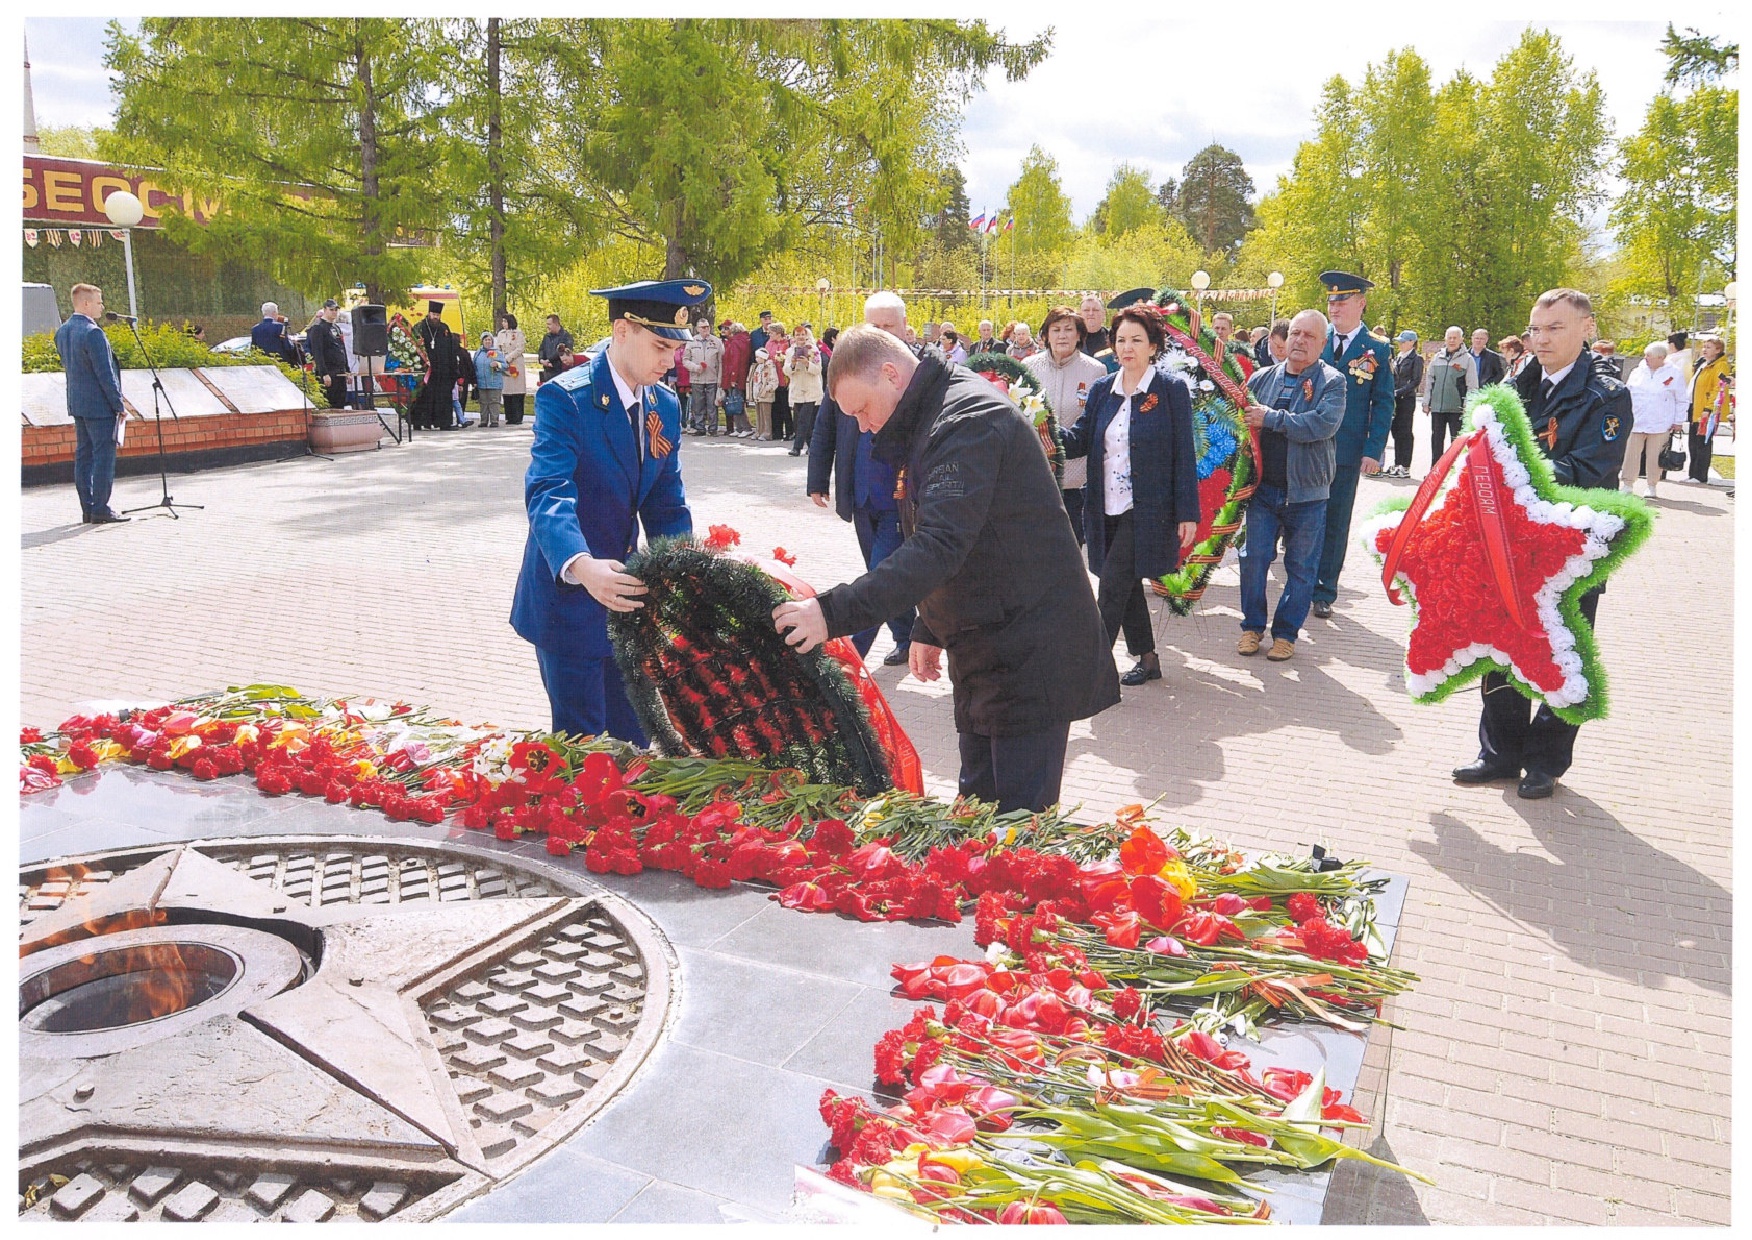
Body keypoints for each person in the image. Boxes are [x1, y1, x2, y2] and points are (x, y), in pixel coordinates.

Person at [773, 325, 1119, 813]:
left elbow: (939, 545)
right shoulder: (932, 414)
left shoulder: (967, 420)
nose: (865, 428)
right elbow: (947, 532)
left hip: (1029, 650)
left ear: (890, 375)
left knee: (1017, 826)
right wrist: (929, 625)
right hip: (986, 645)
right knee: (975, 810)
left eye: (862, 411)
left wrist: (829, 614)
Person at [510, 278, 709, 743]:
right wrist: (581, 565)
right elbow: (547, 491)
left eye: (674, 350)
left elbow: (666, 503)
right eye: (660, 346)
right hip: (571, 601)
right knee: (584, 748)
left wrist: (683, 576)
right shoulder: (567, 398)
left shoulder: (664, 403)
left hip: (629, 604)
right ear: (622, 331)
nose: (669, 361)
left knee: (635, 741)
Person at [1454, 287, 1629, 800]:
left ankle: (1546, 760)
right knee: (1503, 646)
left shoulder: (1606, 394)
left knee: (1562, 648)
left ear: (1587, 329)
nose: (1541, 338)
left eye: (1555, 328)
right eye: (1535, 328)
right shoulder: (1516, 381)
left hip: (1573, 546)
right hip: (1509, 543)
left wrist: (1512, 472)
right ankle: (1500, 752)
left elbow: (1590, 470)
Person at [1059, 304, 1200, 687]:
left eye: (1137, 340)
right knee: (1123, 582)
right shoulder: (1105, 388)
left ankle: (1089, 669)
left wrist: (1188, 512)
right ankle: (1148, 658)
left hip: (1149, 508)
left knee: (1112, 585)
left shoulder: (1170, 390)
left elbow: (1184, 454)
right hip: (1106, 506)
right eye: (1120, 339)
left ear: (1153, 346)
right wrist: (1043, 431)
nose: (1127, 347)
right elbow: (1079, 440)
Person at [806, 291, 918, 666]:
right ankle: (905, 636)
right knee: (884, 571)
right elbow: (826, 428)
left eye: (889, 325)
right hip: (861, 495)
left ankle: (849, 659)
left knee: (879, 574)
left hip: (901, 500)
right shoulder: (847, 368)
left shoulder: (917, 378)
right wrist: (817, 479)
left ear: (905, 328)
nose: (882, 332)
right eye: (875, 325)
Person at [1237, 309, 1346, 660]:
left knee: (1301, 568)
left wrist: (1271, 418)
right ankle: (1252, 628)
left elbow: (1322, 425)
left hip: (1308, 495)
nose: (1299, 340)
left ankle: (1286, 634)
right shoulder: (1261, 378)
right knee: (1253, 559)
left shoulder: (1333, 382)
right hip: (1263, 492)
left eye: (1309, 336)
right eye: (1295, 333)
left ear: (1323, 344)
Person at [1310, 272, 1394, 619]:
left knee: (1336, 520)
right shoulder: (1318, 339)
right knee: (1306, 518)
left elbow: (1384, 402)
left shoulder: (1376, 348)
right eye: (1331, 301)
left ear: (1361, 303)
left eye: (1342, 300)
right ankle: (1301, 581)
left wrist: (1373, 451)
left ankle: (1324, 589)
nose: (1335, 307)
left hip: (1346, 449)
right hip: (1311, 444)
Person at [1026, 305, 1107, 545]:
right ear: (1046, 335)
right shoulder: (1029, 367)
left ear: (1080, 335)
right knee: (1035, 549)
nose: (1062, 335)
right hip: (1037, 477)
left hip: (1076, 481)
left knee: (1071, 549)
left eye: (1068, 330)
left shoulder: (1095, 370)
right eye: (1056, 329)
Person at [54, 283, 129, 524]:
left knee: (83, 457)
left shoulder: (63, 331)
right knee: (103, 457)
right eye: (99, 302)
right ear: (86, 303)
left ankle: (88, 508)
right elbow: (104, 374)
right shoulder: (93, 333)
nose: (102, 306)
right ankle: (101, 509)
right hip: (100, 408)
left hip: (78, 404)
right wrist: (119, 405)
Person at [1621, 340, 1685, 499]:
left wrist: (1678, 421)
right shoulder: (1637, 371)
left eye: (1650, 356)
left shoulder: (1674, 373)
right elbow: (1627, 394)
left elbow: (1681, 399)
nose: (1646, 358)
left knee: (1655, 456)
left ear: (1661, 357)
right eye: (1646, 355)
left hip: (1661, 422)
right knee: (1631, 454)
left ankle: (1652, 485)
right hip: (1636, 420)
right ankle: (1627, 483)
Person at [1421, 325, 1477, 463]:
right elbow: (1430, 381)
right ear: (1445, 339)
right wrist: (1426, 402)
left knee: (1457, 442)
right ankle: (1435, 470)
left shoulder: (1467, 359)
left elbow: (1472, 385)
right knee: (1436, 441)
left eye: (1455, 338)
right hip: (1437, 408)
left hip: (1457, 409)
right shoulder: (1437, 357)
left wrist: (1467, 406)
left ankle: (1455, 473)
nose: (1452, 340)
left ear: (1461, 340)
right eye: (1449, 338)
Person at [407, 303, 462, 430]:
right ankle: (419, 422)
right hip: (426, 371)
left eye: (438, 315)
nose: (435, 317)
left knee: (443, 396)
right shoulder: (420, 327)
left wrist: (453, 368)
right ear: (429, 314)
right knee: (423, 397)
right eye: (434, 314)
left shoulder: (444, 329)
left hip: (442, 371)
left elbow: (451, 349)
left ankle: (444, 423)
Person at [1686, 335, 1732, 483]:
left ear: (1718, 350)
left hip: (1706, 409)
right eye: (1704, 347)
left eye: (1708, 347)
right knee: (1693, 442)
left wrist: (1709, 408)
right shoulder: (1703, 364)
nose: (1704, 350)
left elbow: (1718, 389)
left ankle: (1700, 475)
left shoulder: (1720, 366)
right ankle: (1692, 473)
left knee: (1702, 443)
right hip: (1695, 407)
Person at [1386, 329, 1422, 478]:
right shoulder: (1398, 357)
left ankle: (1405, 465)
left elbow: (1415, 381)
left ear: (1411, 342)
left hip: (1406, 399)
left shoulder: (1416, 359)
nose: (1400, 344)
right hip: (1395, 399)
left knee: (1405, 432)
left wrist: (1399, 392)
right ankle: (1397, 462)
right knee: (1396, 431)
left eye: (1403, 341)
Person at [682, 317, 724, 436]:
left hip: (712, 378)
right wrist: (695, 367)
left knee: (712, 404)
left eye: (707, 327)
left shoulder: (716, 341)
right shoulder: (691, 341)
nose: (706, 329)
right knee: (698, 404)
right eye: (703, 327)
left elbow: (720, 362)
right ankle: (700, 427)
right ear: (697, 329)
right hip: (697, 378)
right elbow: (685, 360)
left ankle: (713, 428)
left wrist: (720, 379)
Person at [786, 324, 825, 455]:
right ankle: (812, 445)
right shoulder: (789, 351)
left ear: (806, 335)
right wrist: (792, 364)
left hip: (811, 389)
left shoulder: (813, 350)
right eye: (798, 335)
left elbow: (818, 369)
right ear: (794, 337)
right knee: (801, 420)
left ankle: (797, 447)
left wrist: (807, 363)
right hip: (797, 388)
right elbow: (786, 371)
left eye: (803, 334)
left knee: (804, 418)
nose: (800, 337)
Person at [306, 299, 350, 409]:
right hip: (329, 371)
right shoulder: (318, 328)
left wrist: (347, 370)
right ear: (325, 309)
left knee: (340, 403)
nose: (334, 312)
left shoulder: (336, 327)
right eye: (331, 310)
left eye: (336, 310)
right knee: (330, 403)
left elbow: (342, 349)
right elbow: (317, 352)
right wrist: (324, 373)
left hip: (340, 371)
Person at [720, 320, 754, 436]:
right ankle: (739, 427)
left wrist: (733, 377)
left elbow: (735, 360)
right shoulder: (746, 341)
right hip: (742, 374)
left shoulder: (735, 343)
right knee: (736, 400)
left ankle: (745, 427)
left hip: (734, 375)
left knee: (736, 401)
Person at [496, 313, 529, 425]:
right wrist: (501, 358)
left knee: (517, 391)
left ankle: (518, 417)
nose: (503, 323)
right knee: (507, 391)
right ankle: (509, 416)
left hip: (516, 362)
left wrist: (509, 357)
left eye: (505, 321)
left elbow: (520, 348)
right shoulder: (501, 334)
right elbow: (498, 348)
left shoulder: (518, 333)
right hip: (505, 364)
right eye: (503, 321)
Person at [474, 330, 505, 428]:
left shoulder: (497, 353)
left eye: (489, 340)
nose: (488, 342)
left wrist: (497, 364)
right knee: (483, 402)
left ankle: (494, 420)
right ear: (482, 341)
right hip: (481, 382)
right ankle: (484, 421)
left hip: (494, 382)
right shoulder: (478, 353)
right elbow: (474, 366)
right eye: (486, 340)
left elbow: (505, 365)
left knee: (494, 401)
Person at [747, 346, 780, 440]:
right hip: (758, 394)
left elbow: (774, 380)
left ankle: (767, 433)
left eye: (758, 357)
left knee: (766, 415)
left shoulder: (769, 366)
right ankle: (759, 431)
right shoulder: (757, 367)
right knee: (759, 414)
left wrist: (768, 389)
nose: (756, 359)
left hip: (766, 394)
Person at [537, 314, 574, 386]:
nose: (547, 326)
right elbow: (541, 349)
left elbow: (562, 351)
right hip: (547, 371)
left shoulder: (566, 336)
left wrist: (549, 360)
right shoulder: (546, 337)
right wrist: (541, 360)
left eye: (549, 324)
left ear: (556, 324)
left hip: (560, 371)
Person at [1078, 294, 1111, 359]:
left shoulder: (1115, 338)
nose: (1091, 313)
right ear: (1080, 314)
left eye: (1095, 310)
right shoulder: (1072, 340)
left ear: (1103, 314)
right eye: (1086, 310)